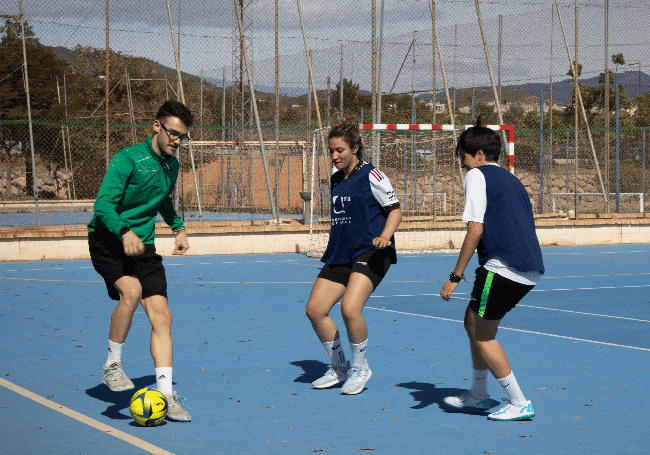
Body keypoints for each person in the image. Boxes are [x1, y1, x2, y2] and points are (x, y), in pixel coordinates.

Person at [87, 100, 193, 422]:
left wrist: (179, 228)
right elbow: (102, 206)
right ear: (156, 126)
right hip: (108, 240)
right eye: (173, 133)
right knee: (131, 291)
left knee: (162, 315)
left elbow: (163, 202)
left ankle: (164, 393)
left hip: (142, 246)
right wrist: (125, 231)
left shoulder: (172, 166)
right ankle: (112, 366)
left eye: (182, 136)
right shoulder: (127, 158)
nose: (177, 140)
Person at [439, 119, 544, 421]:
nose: (463, 163)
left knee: (483, 335)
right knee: (472, 322)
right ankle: (479, 394)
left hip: (503, 266)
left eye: (465, 157)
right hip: (527, 265)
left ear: (480, 154)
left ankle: (518, 401)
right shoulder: (511, 179)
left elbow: (475, 229)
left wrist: (455, 276)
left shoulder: (477, 175)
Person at [305, 119, 402, 395]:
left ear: (355, 148)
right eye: (331, 150)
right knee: (315, 310)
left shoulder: (373, 175)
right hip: (340, 253)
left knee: (350, 308)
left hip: (371, 250)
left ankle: (361, 367)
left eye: (340, 150)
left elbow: (395, 210)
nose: (334, 156)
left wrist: (385, 235)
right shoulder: (336, 179)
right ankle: (339, 367)